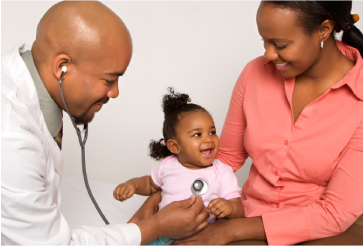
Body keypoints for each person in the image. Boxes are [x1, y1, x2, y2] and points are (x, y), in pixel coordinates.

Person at [129, 1, 363, 245]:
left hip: (325, 232)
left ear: (324, 30)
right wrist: (162, 196)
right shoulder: (255, 73)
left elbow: (337, 212)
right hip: (248, 214)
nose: (269, 54)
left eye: (281, 44)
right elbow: (226, 159)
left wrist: (227, 232)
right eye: (264, 41)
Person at [1, 1, 209, 245]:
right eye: (109, 80)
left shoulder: (29, 81)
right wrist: (152, 228)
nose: (115, 93)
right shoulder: (11, 137)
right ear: (62, 67)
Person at [113, 88, 244, 245]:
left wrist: (229, 207)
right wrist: (132, 185)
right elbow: (149, 184)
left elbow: (239, 208)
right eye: (197, 134)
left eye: (212, 132)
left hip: (200, 237)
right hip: (163, 232)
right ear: (175, 147)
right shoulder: (167, 166)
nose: (208, 139)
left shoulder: (222, 172)